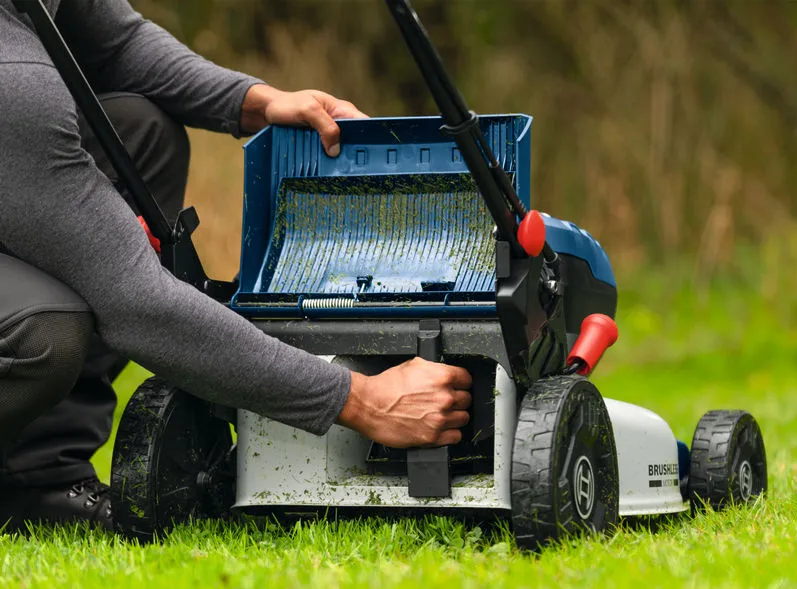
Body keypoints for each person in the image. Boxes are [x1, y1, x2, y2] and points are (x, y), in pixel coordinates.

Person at [0, 0, 472, 531]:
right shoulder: (12, 82)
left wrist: (261, 102)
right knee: (42, 331)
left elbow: (117, 43)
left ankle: (37, 478)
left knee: (140, 135)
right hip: (15, 113)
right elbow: (137, 304)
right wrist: (364, 401)